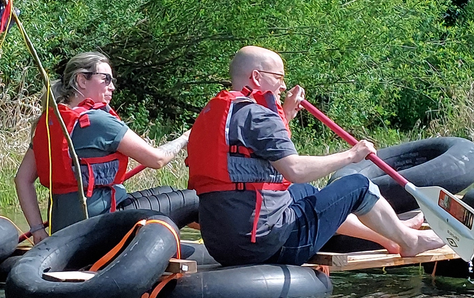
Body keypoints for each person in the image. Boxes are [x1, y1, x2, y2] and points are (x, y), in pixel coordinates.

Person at [186, 46, 444, 266]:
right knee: (358, 185)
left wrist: (284, 115)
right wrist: (352, 155)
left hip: (222, 246)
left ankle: (389, 237)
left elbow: (252, 157)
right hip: (264, 247)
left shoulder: (216, 113)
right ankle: (410, 241)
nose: (283, 85)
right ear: (256, 76)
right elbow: (294, 169)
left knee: (304, 191)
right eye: (278, 77)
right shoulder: (259, 115)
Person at [15, 52, 189, 243]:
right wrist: (184, 138)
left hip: (62, 228)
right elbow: (157, 159)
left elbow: (22, 179)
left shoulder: (49, 123)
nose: (112, 87)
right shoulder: (99, 121)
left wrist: (37, 228)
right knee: (194, 199)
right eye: (106, 79)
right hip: (103, 224)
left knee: (166, 190)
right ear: (81, 80)